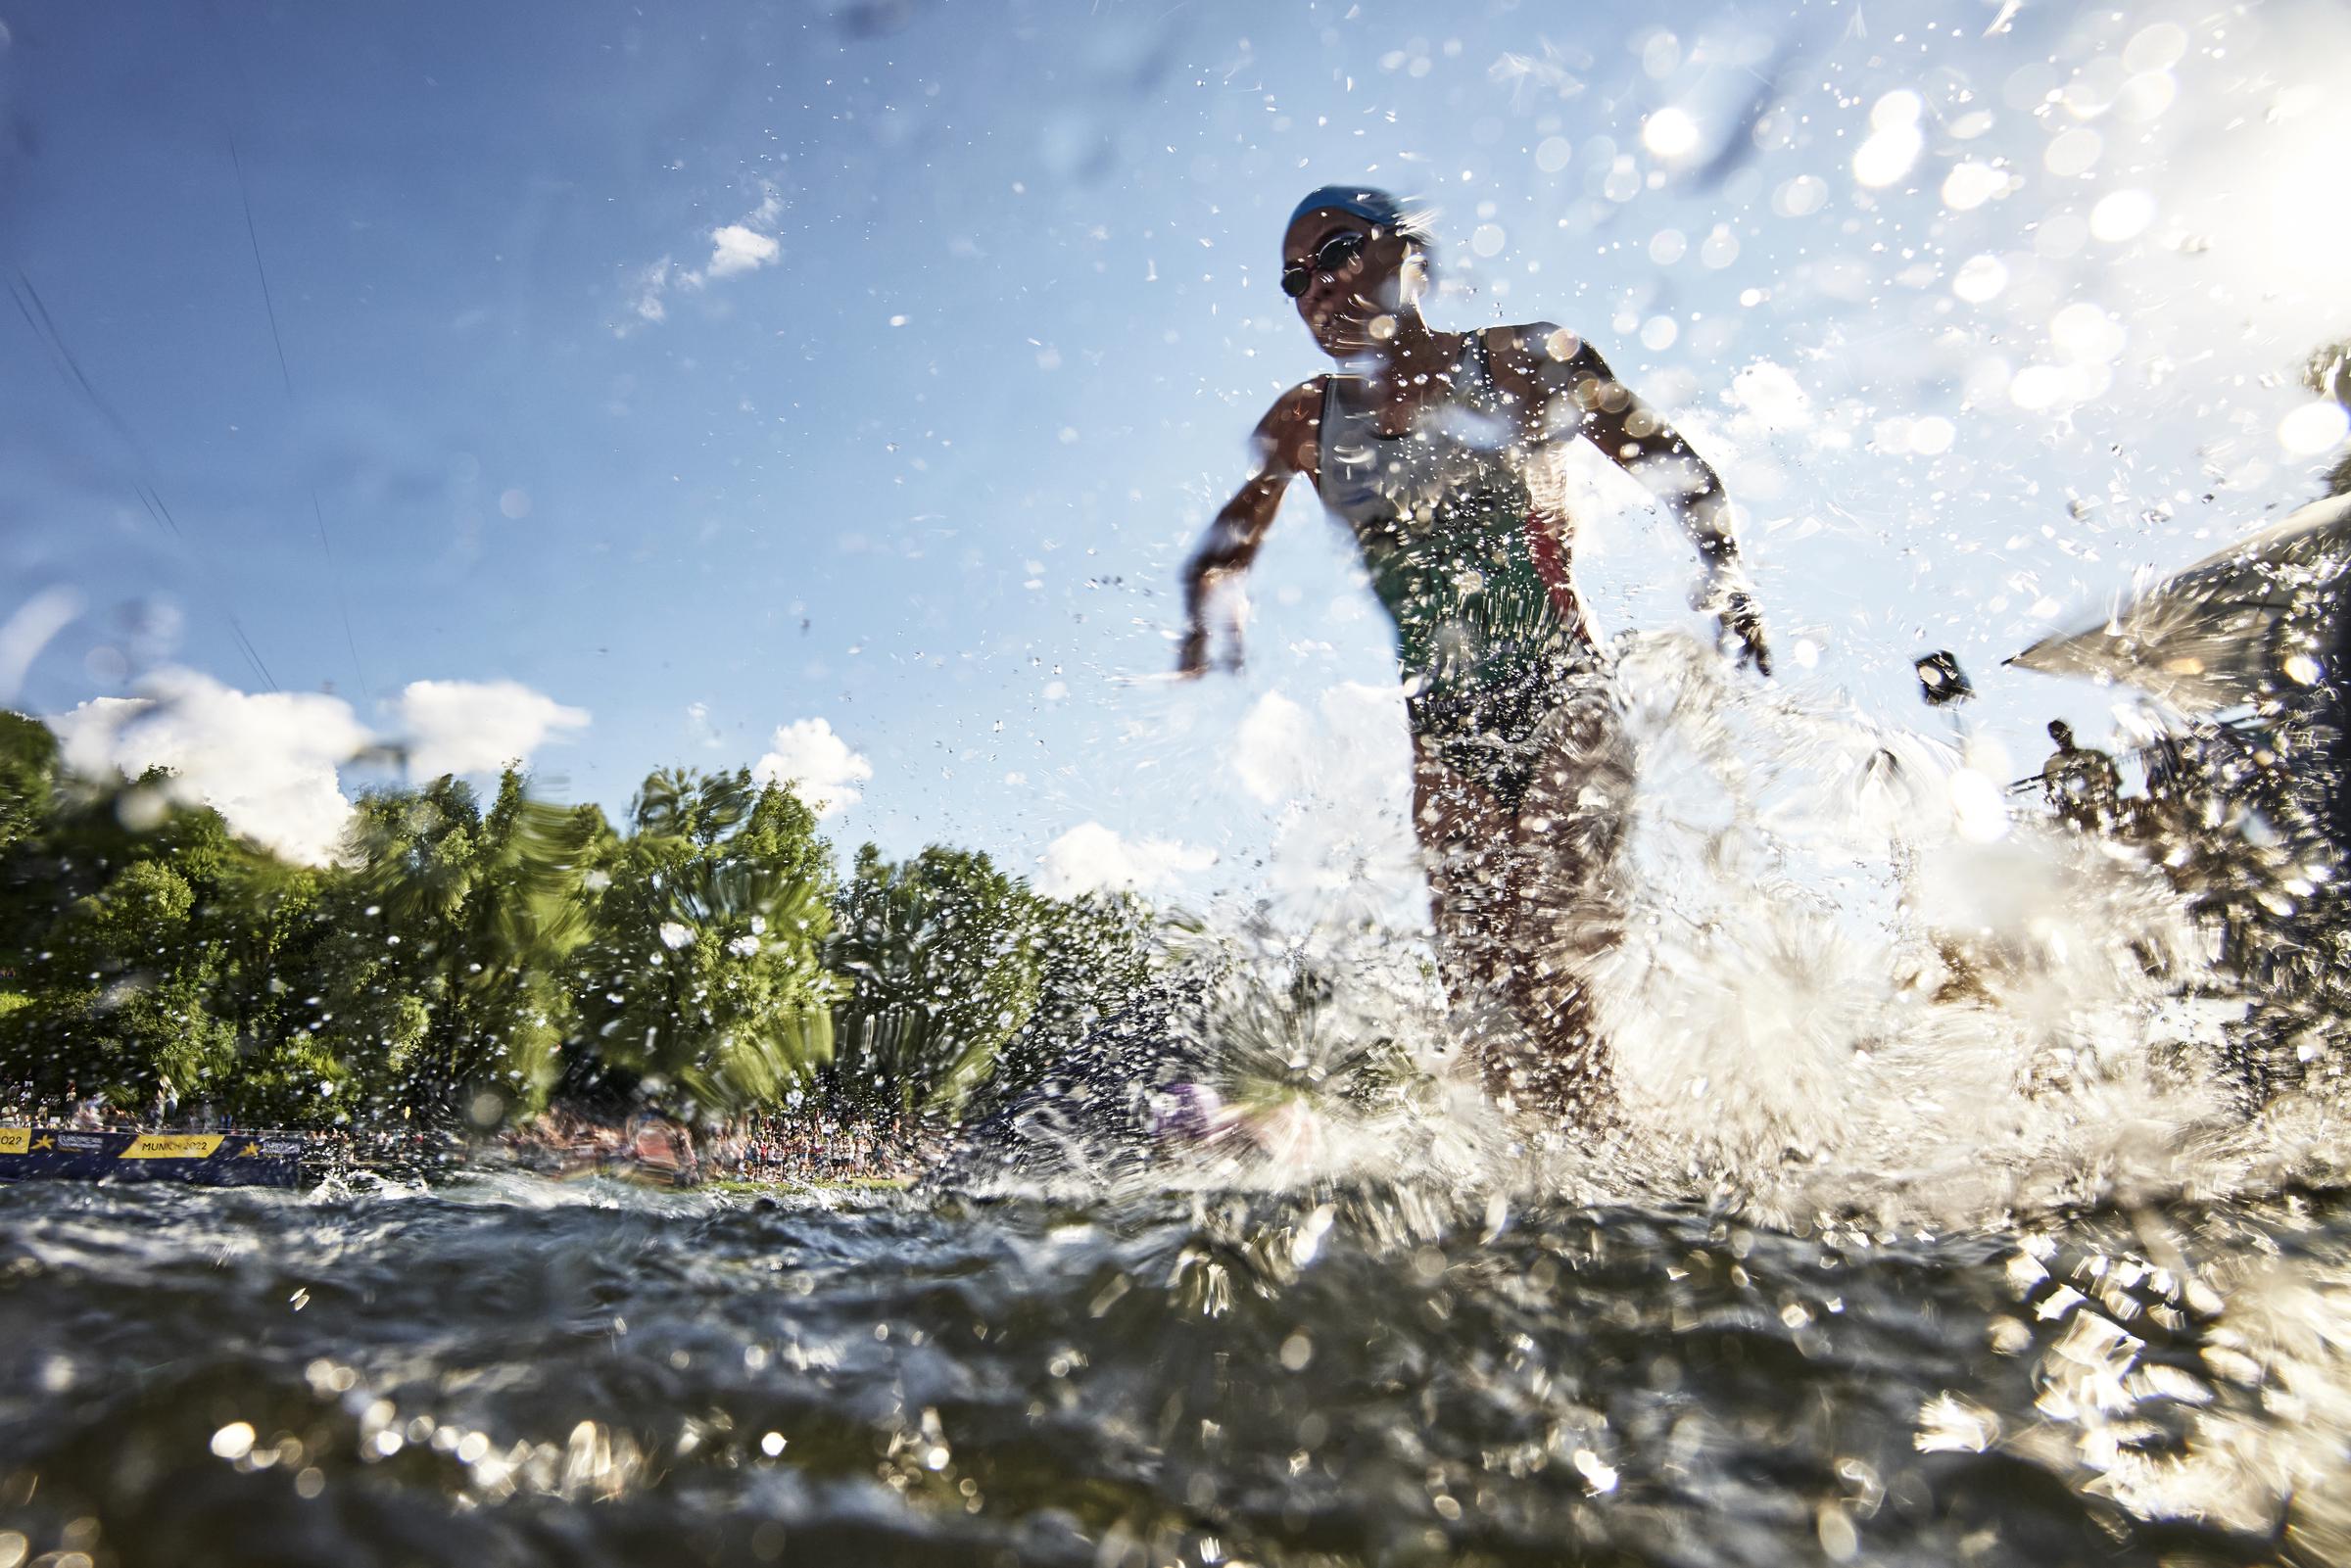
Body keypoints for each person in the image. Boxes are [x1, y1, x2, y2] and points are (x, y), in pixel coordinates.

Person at [1176, 184, 1769, 1124]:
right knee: (1483, 995)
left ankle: (1625, 1184)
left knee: (1545, 944)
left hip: (1563, 691)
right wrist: (1212, 587)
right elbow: (1242, 515)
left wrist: (1726, 575)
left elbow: (1675, 464)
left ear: (1401, 250)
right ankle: (1557, 1186)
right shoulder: (1305, 418)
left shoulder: (1522, 362)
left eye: (1332, 254)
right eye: (1294, 280)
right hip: (1444, 730)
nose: (1315, 289)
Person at [2039, 719, 2121, 832]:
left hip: (2104, 809)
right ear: (2054, 738)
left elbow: (2115, 780)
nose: (2062, 737)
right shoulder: (2052, 765)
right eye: (2058, 734)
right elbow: (2050, 794)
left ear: (2070, 732)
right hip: (2076, 816)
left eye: (2063, 732)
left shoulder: (2096, 755)